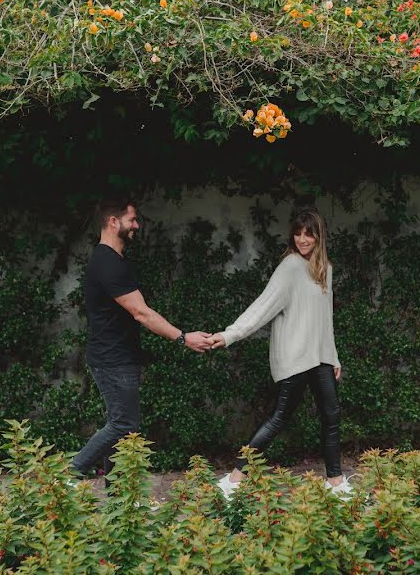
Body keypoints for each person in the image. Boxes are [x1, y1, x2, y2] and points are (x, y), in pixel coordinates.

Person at [210, 207, 351, 498]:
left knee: (332, 415)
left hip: (320, 357)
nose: (302, 240)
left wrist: (333, 356)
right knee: (279, 418)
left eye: (308, 234)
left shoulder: (326, 269)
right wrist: (228, 335)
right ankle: (233, 480)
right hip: (295, 357)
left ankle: (335, 483)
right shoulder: (290, 267)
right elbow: (262, 307)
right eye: (297, 234)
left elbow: (326, 320)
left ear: (318, 236)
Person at [72, 197, 213, 484]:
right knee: (124, 425)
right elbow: (141, 313)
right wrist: (184, 338)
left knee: (120, 427)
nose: (137, 225)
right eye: (132, 219)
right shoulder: (108, 263)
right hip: (113, 359)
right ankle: (69, 473)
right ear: (114, 222)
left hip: (116, 356)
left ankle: (119, 501)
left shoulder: (111, 260)